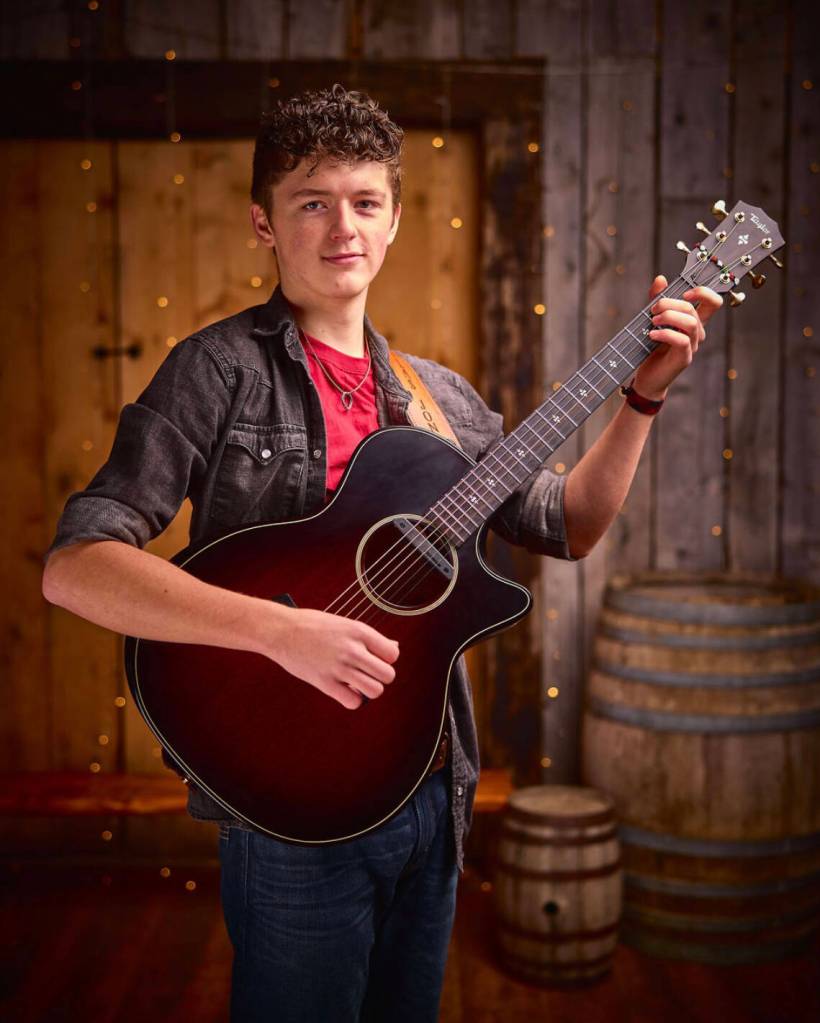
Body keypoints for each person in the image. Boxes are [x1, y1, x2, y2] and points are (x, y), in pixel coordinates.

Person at [42, 83, 721, 1022]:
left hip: (433, 790)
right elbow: (76, 565)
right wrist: (281, 632)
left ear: (394, 221)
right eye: (311, 203)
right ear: (263, 224)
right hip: (293, 806)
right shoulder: (217, 371)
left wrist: (643, 397)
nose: (342, 228)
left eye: (365, 202)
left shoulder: (435, 396)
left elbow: (568, 524)